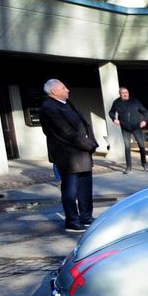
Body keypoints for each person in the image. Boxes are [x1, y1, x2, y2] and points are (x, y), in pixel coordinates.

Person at [39, 79, 97, 232]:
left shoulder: (68, 104)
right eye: (64, 88)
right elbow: (66, 132)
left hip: (82, 153)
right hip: (68, 156)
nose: (68, 90)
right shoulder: (48, 108)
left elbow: (84, 125)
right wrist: (89, 145)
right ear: (54, 91)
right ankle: (72, 220)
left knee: (85, 187)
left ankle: (86, 216)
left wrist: (90, 142)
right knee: (70, 190)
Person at [108, 87, 148, 173]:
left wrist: (145, 121)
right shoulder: (117, 102)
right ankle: (128, 167)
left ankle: (144, 164)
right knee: (127, 147)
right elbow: (111, 112)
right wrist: (114, 119)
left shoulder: (135, 101)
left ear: (128, 93)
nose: (125, 94)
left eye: (126, 92)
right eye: (123, 93)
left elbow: (145, 111)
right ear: (120, 94)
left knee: (141, 146)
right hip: (125, 128)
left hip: (136, 127)